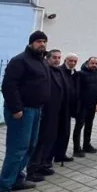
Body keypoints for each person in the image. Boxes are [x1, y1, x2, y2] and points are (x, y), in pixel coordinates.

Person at [0, 31, 51, 192]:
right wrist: (16, 108)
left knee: (29, 146)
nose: (42, 44)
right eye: (39, 41)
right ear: (32, 42)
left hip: (35, 110)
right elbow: (9, 86)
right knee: (17, 149)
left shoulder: (40, 61)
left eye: (44, 42)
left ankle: (18, 179)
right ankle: (3, 189)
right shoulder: (20, 61)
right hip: (22, 111)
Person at [27, 49, 68, 180]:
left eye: (59, 58)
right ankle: (33, 168)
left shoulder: (59, 71)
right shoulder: (45, 71)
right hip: (46, 111)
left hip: (57, 112)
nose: (57, 60)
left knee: (51, 139)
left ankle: (44, 163)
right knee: (40, 141)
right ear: (48, 58)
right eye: (54, 57)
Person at [52, 52, 79, 164]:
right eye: (70, 61)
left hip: (70, 107)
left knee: (65, 132)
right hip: (60, 107)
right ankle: (51, 155)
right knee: (56, 133)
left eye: (74, 61)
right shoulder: (60, 71)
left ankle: (61, 154)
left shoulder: (75, 73)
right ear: (65, 61)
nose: (72, 63)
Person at [72, 57, 97, 157]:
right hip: (82, 105)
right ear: (87, 63)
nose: (94, 65)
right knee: (79, 127)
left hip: (92, 104)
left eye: (96, 63)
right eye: (92, 63)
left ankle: (86, 145)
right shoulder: (80, 74)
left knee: (89, 125)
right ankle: (76, 148)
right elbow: (76, 90)